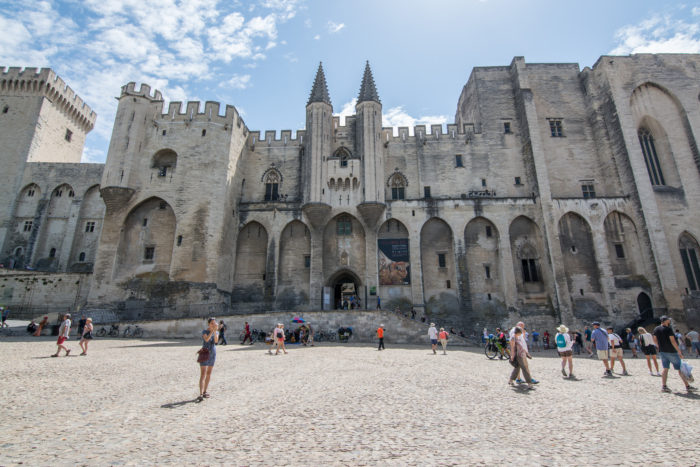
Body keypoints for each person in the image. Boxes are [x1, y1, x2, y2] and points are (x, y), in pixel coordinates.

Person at [654, 316, 696, 393]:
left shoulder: (656, 329)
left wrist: (659, 347)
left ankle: (664, 386)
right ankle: (687, 386)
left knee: (665, 369)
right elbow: (673, 341)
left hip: (662, 352)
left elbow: (655, 340)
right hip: (671, 351)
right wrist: (679, 351)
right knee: (680, 368)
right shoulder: (668, 329)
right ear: (665, 321)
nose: (669, 321)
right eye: (668, 320)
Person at [197, 317, 219, 400]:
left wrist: (215, 332)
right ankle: (201, 393)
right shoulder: (204, 331)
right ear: (209, 324)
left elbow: (216, 341)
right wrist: (212, 331)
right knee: (203, 374)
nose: (213, 325)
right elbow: (206, 340)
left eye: (214, 323)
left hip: (212, 353)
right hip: (205, 353)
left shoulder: (216, 332)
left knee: (209, 373)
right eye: (212, 323)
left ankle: (205, 391)